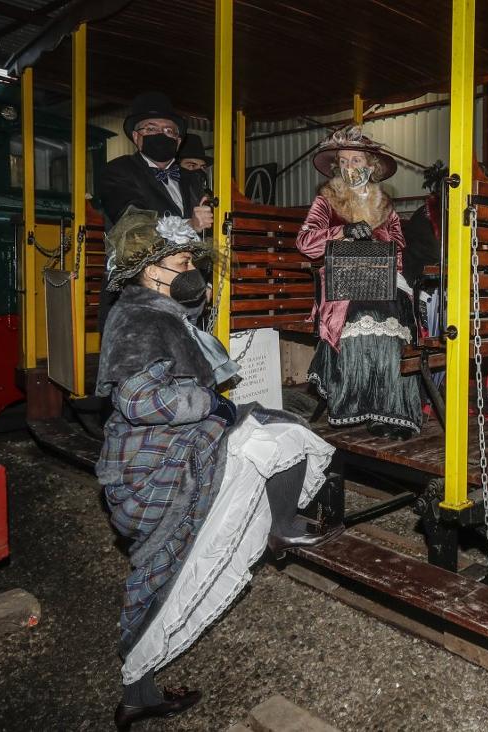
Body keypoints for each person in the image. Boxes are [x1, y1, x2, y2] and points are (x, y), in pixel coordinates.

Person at [95, 208, 338, 730]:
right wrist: (212, 406)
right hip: (154, 459)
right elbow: (142, 403)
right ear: (150, 268)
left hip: (173, 444)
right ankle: (138, 688)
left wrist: (217, 407)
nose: (191, 271)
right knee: (167, 570)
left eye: (191, 260)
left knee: (280, 432)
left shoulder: (163, 311)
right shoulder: (140, 318)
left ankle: (280, 528)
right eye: (182, 261)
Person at [295, 127, 422, 438]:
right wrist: (342, 232)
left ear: (371, 166)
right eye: (344, 161)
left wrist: (386, 248)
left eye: (356, 160)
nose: (350, 167)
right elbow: (305, 242)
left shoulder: (385, 204)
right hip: (344, 287)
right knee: (369, 317)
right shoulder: (326, 201)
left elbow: (400, 247)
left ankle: (391, 413)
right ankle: (361, 404)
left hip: (383, 281)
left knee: (395, 319)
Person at [97, 92, 213, 332]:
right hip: (139, 298)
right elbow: (133, 223)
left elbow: (208, 236)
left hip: (190, 296)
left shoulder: (194, 180)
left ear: (178, 141)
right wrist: (190, 225)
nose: (162, 134)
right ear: (137, 137)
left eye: (169, 131)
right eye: (151, 129)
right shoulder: (117, 171)